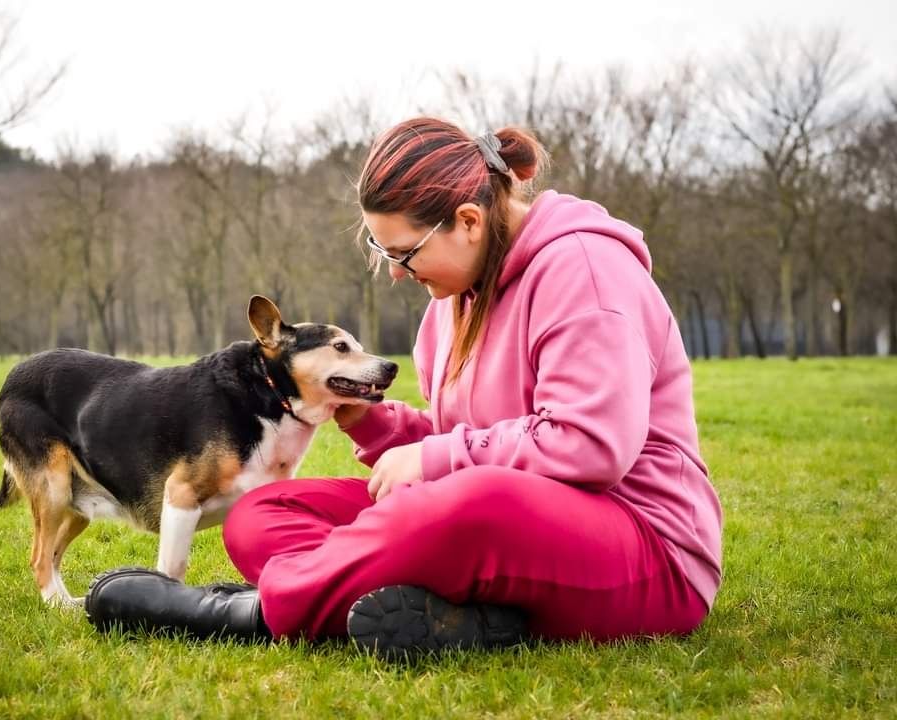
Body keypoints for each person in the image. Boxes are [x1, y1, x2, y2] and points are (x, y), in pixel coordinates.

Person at [84, 117, 723, 659]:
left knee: (461, 504)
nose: (395, 273)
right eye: (380, 249)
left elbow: (588, 445)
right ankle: (466, 624)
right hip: (499, 523)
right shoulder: (451, 300)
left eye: (403, 253)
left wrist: (437, 460)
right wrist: (375, 424)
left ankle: (244, 614)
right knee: (260, 516)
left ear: (468, 220)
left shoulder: (583, 269)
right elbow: (462, 437)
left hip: (644, 549)